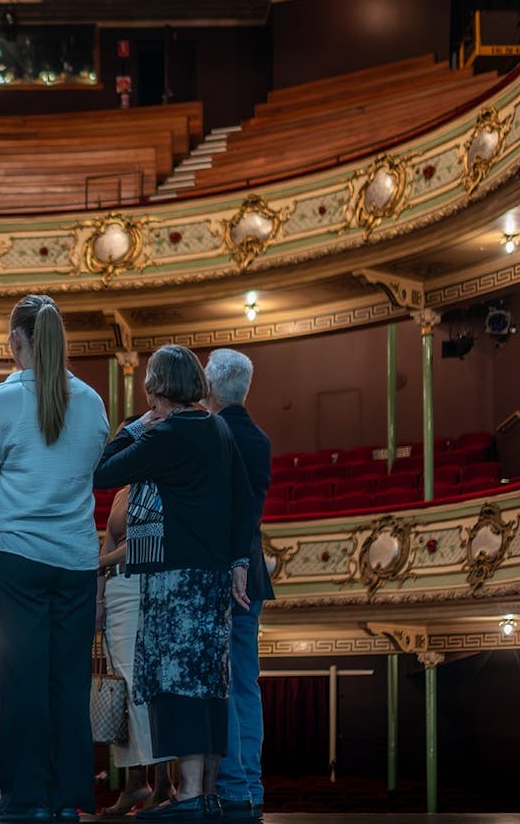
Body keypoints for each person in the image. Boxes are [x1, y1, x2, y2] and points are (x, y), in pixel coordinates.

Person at [91, 345, 253, 821]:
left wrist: (138, 425)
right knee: (207, 686)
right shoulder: (218, 428)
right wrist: (239, 559)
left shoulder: (168, 434)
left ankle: (186, 797)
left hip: (172, 582)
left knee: (174, 686)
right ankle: (201, 794)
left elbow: (101, 472)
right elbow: (243, 501)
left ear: (155, 389)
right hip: (212, 582)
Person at [0, 294, 110, 822]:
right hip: (75, 558)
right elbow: (89, 472)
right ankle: (69, 798)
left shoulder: (1, 401)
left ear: (15, 341)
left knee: (20, 682)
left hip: (18, 554)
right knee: (69, 683)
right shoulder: (92, 402)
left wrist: (4, 520)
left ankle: (24, 797)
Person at [202, 349, 273, 821]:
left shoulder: (213, 433)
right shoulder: (259, 437)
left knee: (222, 684)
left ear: (208, 386)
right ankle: (249, 783)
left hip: (223, 573)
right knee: (245, 682)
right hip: (252, 569)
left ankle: (231, 785)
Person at [96, 489, 175, 816]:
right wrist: (98, 600)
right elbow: (110, 540)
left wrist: (97, 562)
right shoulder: (121, 492)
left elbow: (147, 541)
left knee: (145, 689)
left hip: (147, 588)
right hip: (116, 592)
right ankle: (134, 781)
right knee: (122, 694)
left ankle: (162, 785)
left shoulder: (161, 482)